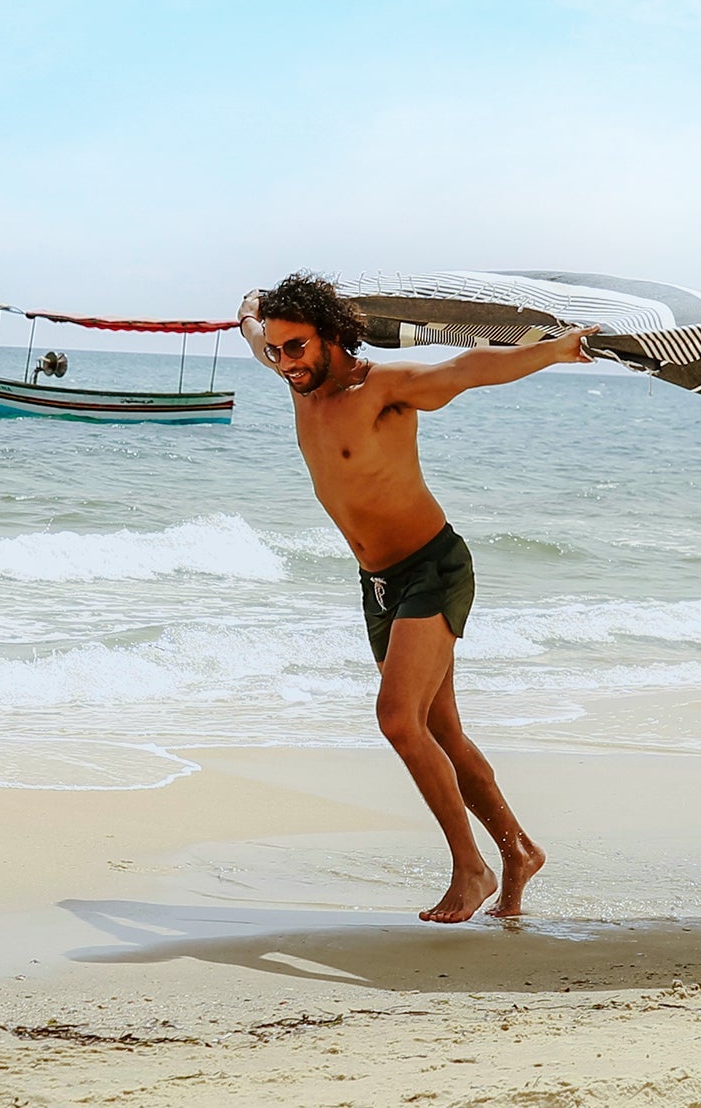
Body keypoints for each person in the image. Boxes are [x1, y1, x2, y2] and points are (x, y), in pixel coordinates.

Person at [237, 273, 598, 924]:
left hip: (433, 567)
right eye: (278, 350)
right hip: (378, 583)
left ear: (333, 338)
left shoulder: (384, 389)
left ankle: (472, 868)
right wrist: (251, 319)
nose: (284, 362)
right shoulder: (299, 381)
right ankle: (518, 852)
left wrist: (549, 351)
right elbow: (257, 333)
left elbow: (465, 369)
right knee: (442, 732)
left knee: (398, 720)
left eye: (295, 348)